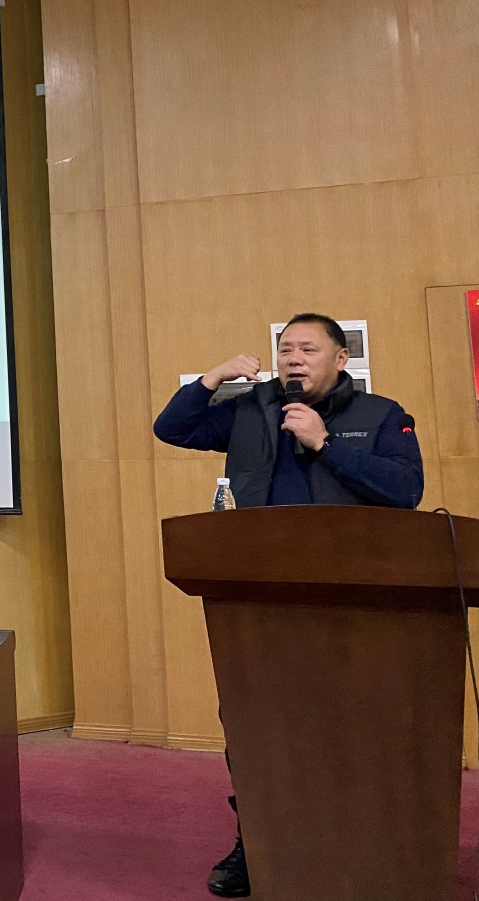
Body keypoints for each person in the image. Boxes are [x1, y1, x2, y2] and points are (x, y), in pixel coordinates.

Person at [153, 313, 423, 897]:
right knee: (255, 726)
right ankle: (257, 841)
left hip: (351, 600)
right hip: (258, 596)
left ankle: (359, 848)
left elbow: (405, 491)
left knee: (347, 725)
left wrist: (325, 444)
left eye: (308, 349)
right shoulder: (253, 411)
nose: (293, 359)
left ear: (341, 359)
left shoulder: (380, 415)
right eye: (286, 350)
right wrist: (212, 378)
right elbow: (172, 428)